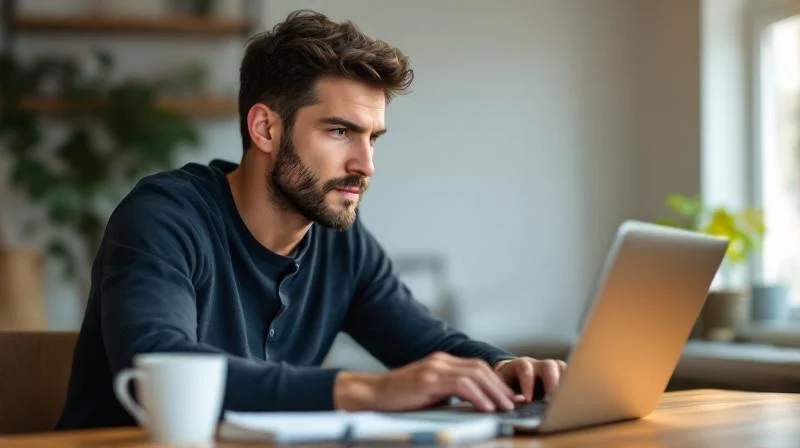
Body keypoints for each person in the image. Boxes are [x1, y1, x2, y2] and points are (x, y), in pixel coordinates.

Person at [55, 9, 567, 430]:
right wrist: (368, 389)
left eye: (373, 138)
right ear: (265, 128)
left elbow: (430, 345)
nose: (365, 166)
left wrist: (507, 368)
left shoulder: (338, 241)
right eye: (340, 132)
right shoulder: (163, 217)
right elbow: (158, 368)